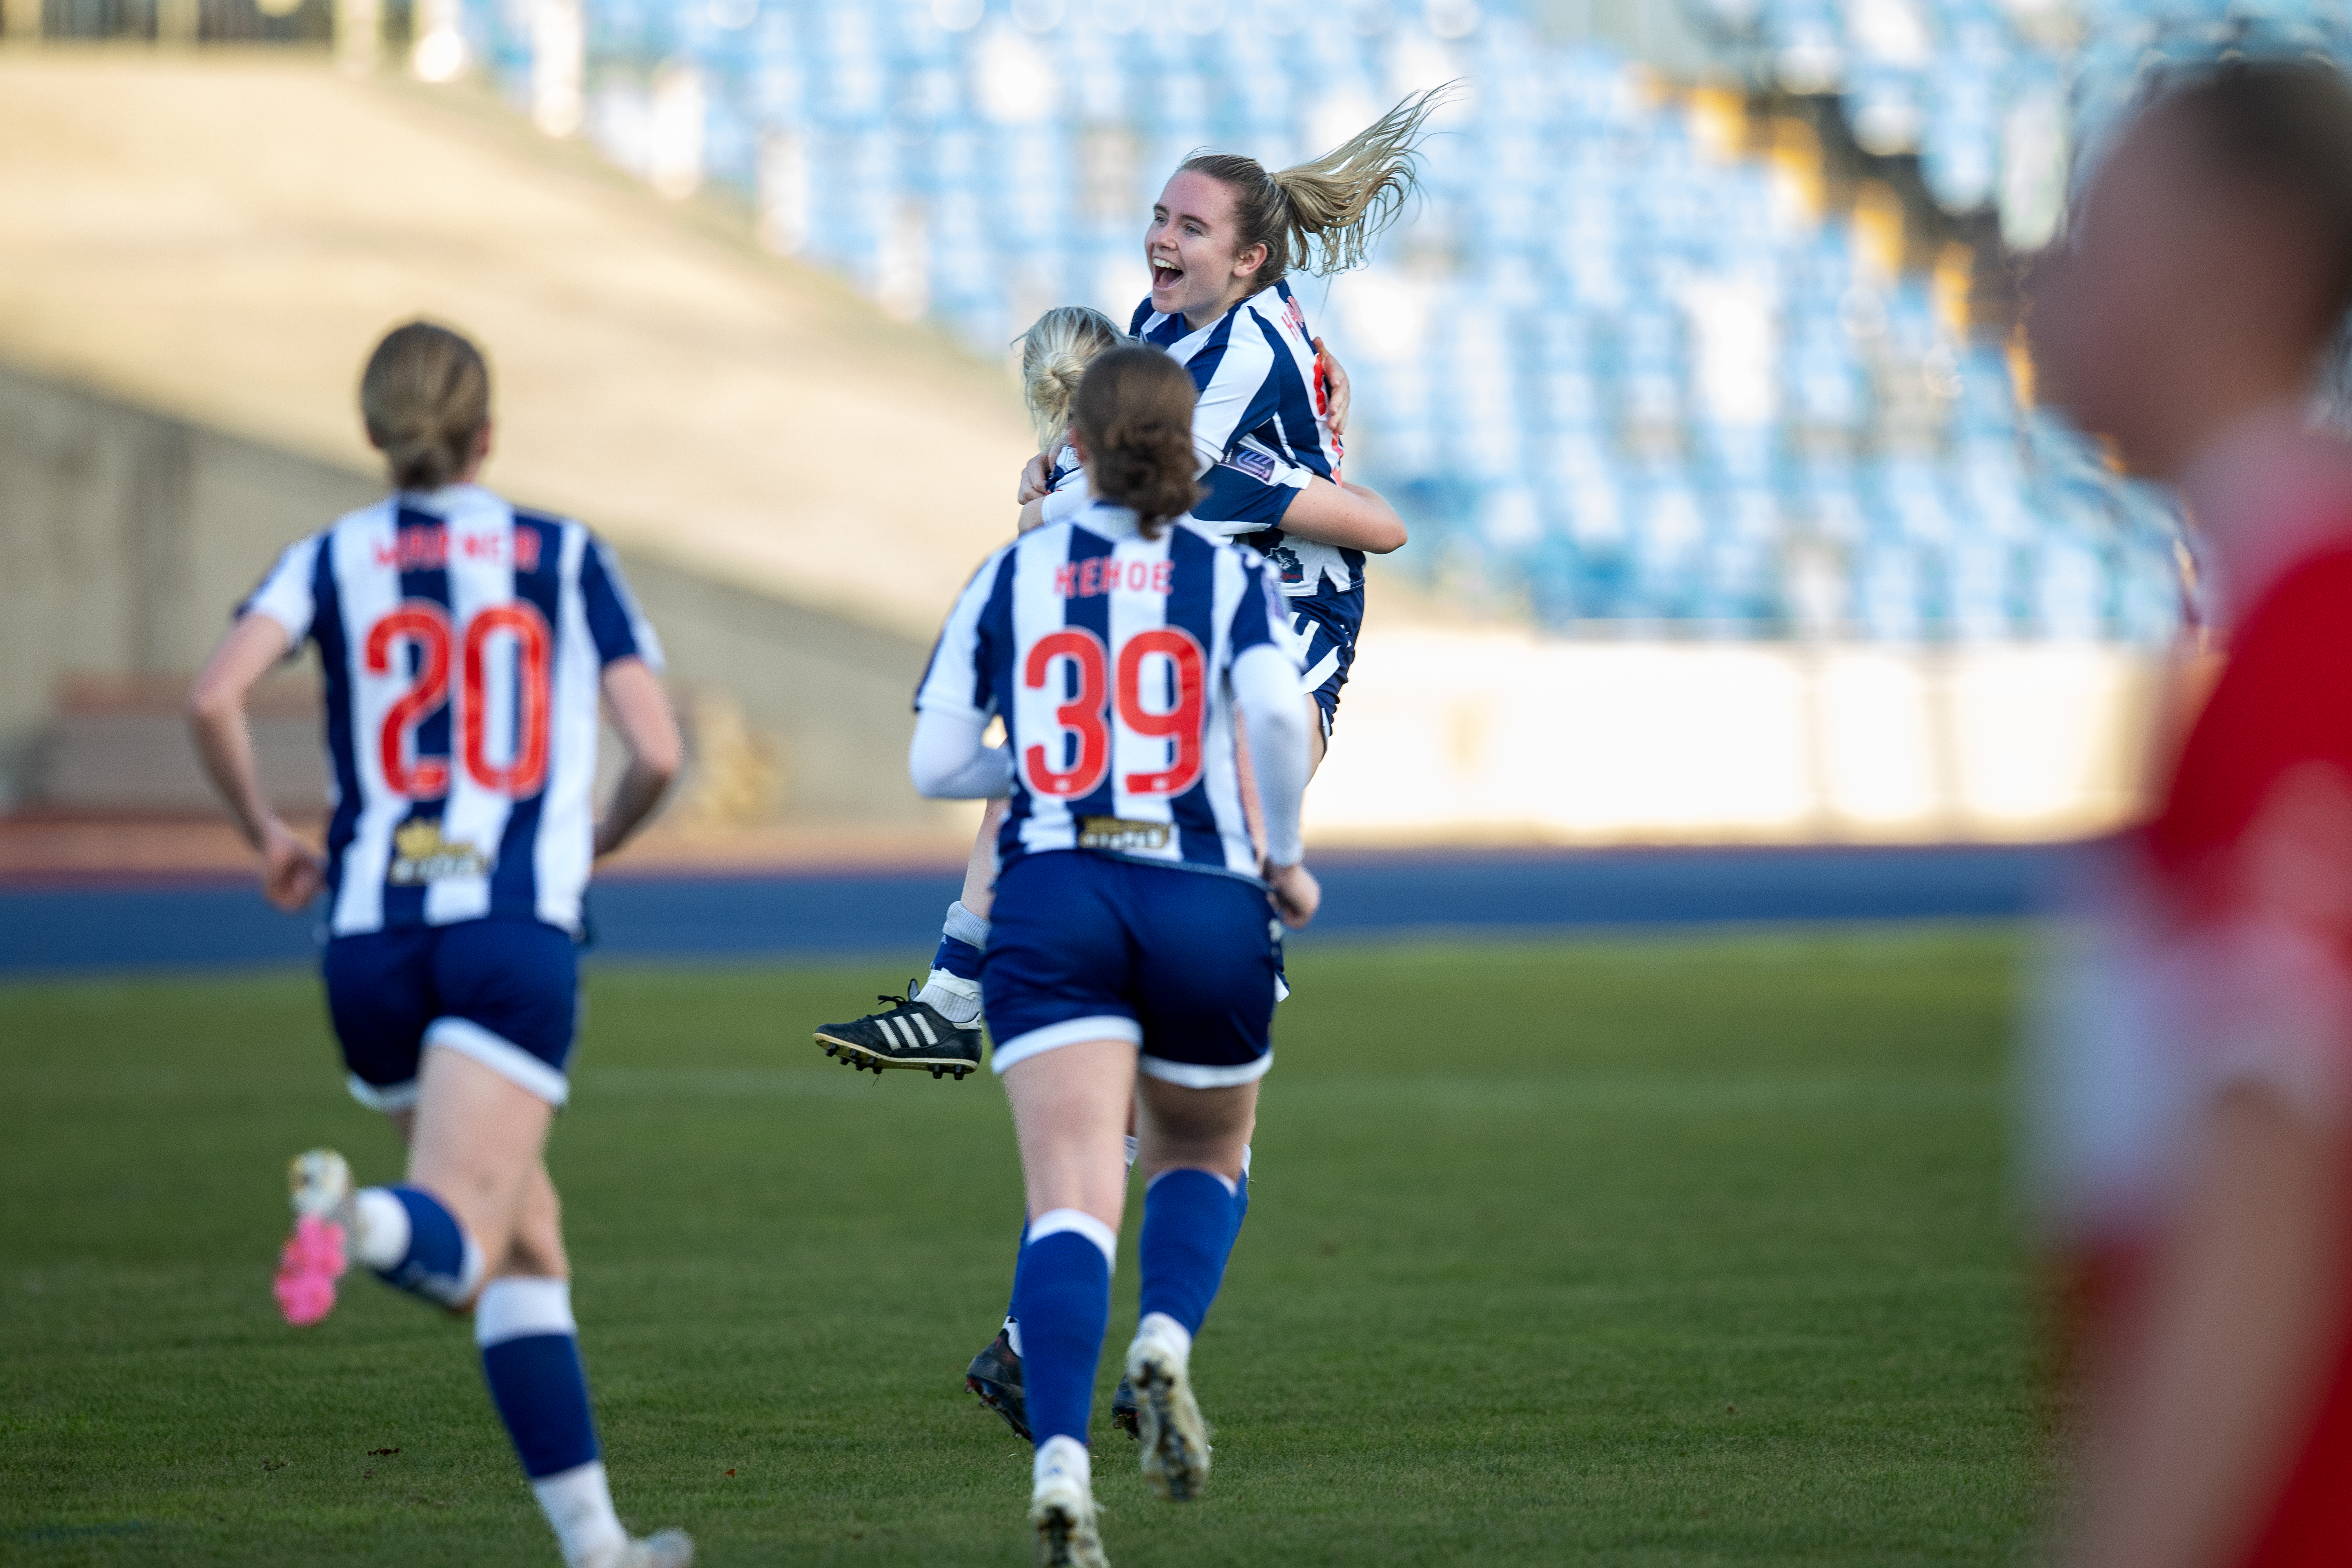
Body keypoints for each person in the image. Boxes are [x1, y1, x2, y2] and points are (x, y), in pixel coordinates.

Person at [186, 321, 692, 1568]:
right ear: (488, 432)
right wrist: (600, 841)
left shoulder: (329, 556)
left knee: (526, 1234)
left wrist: (267, 832)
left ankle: (599, 1546)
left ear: (374, 432)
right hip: (506, 937)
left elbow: (212, 696)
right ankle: (348, 1218)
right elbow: (663, 752)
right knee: (461, 1234)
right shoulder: (564, 556)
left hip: (366, 943)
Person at [908, 344, 1318, 1566]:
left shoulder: (1017, 571)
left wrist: (1043, 767)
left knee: (1071, 1192)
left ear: (1074, 443)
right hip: (1200, 889)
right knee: (1202, 1147)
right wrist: (1283, 855)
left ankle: (1063, 1469)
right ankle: (1169, 1342)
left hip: (1059, 893)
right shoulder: (1221, 573)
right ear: (1186, 448)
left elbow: (936, 765)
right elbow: (1281, 716)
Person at [2025, 55, 2352, 1568]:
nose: (2051, 274)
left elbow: (2271, 1177)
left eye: (2104, 231)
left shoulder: (2311, 632)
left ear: (2249, 264)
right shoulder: (2270, 619)